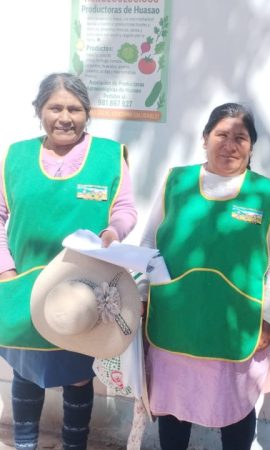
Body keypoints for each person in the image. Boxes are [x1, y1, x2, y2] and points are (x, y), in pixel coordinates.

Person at [138, 102, 270, 450]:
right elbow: (149, 242)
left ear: (251, 147)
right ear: (205, 138)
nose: (230, 145)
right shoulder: (176, 181)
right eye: (221, 135)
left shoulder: (265, 192)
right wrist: (143, 295)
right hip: (175, 318)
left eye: (241, 138)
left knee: (235, 408)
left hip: (235, 323)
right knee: (174, 407)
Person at [0, 72, 137, 450]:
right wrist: (5, 269)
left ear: (87, 113)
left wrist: (113, 232)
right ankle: (25, 444)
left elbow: (125, 209)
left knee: (78, 373)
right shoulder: (16, 156)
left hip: (82, 290)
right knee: (26, 371)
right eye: (55, 108)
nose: (65, 117)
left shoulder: (108, 156)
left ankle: (74, 445)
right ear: (39, 111)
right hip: (23, 282)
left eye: (75, 109)